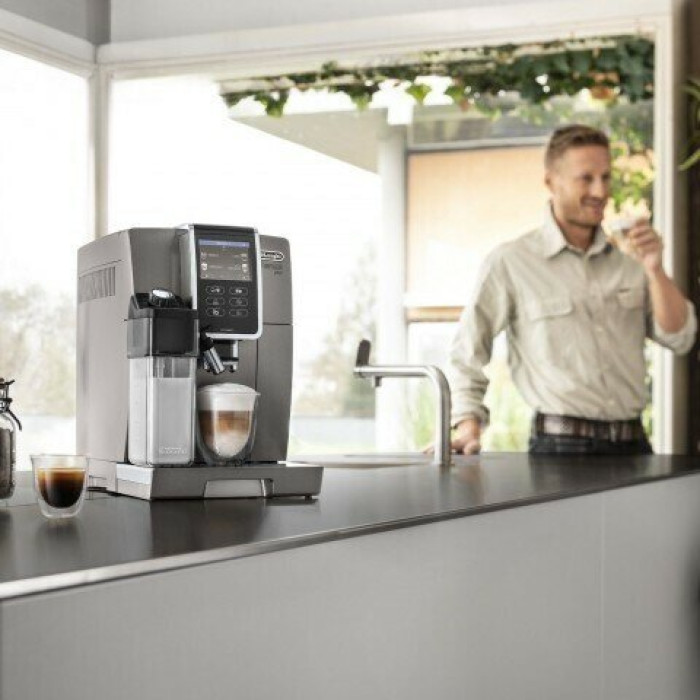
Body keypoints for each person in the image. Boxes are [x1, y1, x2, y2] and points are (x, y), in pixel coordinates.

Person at [448, 124, 697, 455]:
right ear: (551, 182)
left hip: (634, 446)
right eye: (586, 178)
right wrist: (468, 426)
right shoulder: (511, 262)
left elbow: (680, 337)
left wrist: (655, 269)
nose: (600, 191)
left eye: (606, 177)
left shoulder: (630, 262)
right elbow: (467, 353)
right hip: (559, 449)